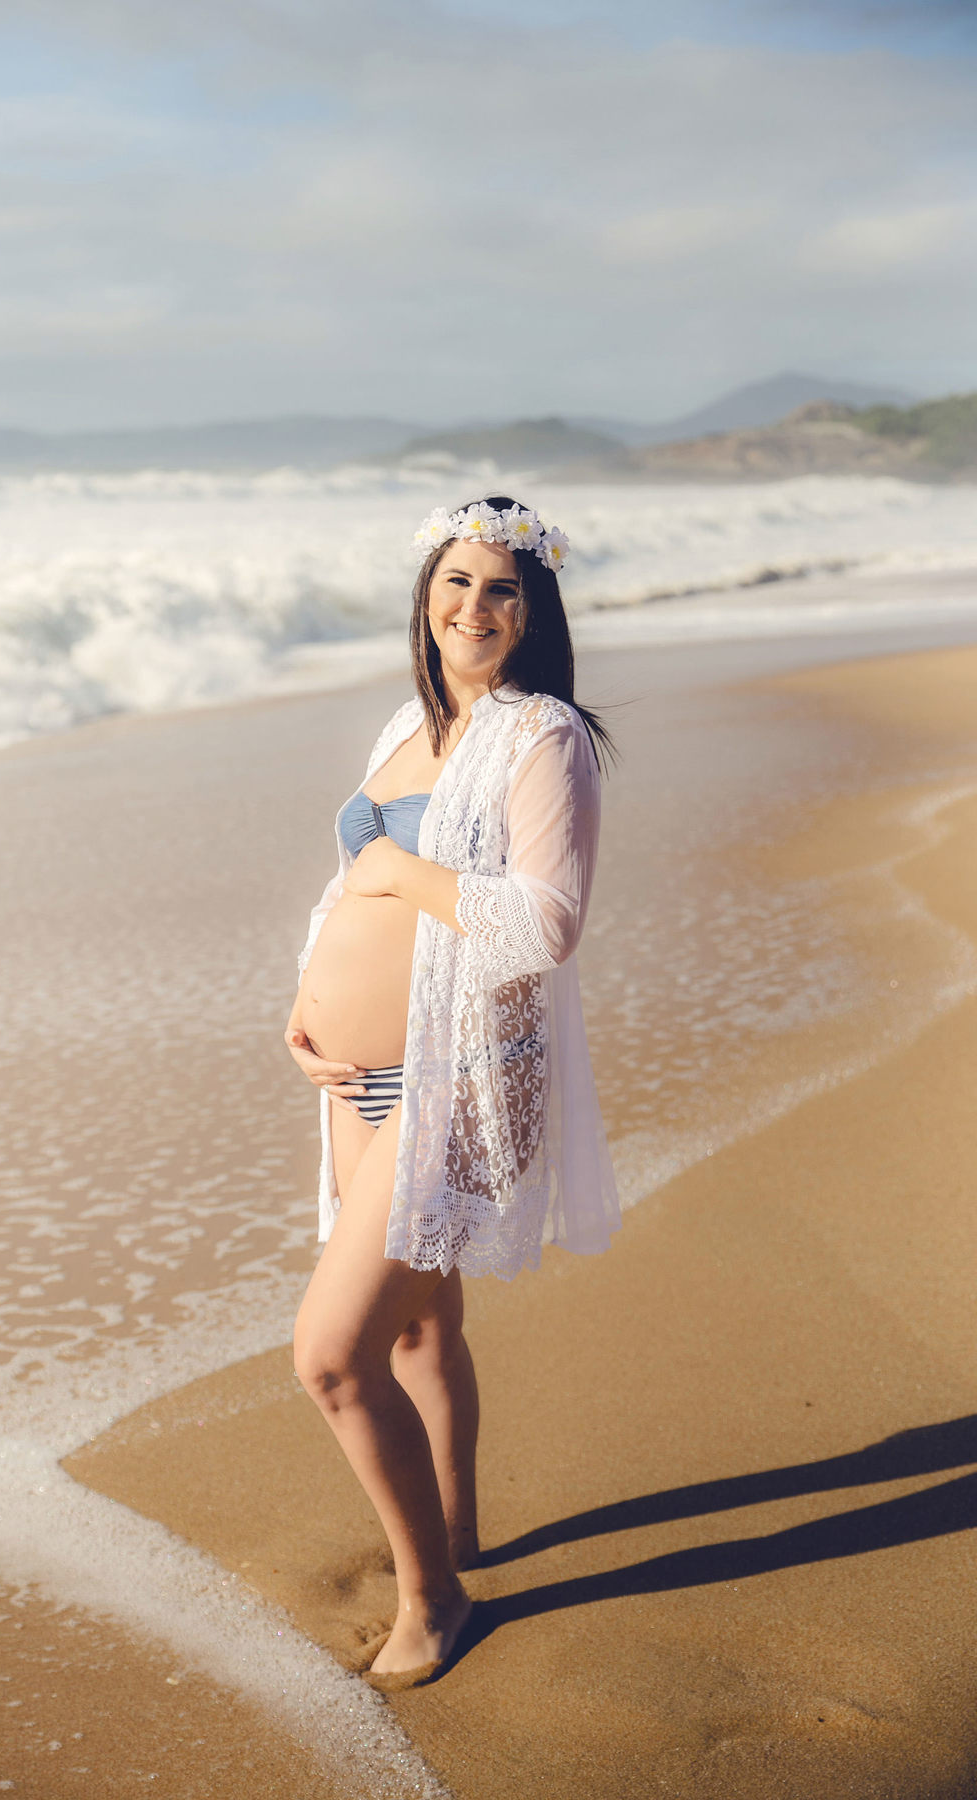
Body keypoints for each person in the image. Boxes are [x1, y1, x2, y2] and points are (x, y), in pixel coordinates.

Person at [283, 495, 621, 1690]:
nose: (476, 608)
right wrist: (305, 1011)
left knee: (330, 1357)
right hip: (354, 1076)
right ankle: (460, 1522)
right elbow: (345, 892)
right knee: (420, 1325)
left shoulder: (545, 738)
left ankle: (436, 1599)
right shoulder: (405, 720)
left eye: (503, 589)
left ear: (536, 612)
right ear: (425, 597)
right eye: (457, 583)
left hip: (463, 1073)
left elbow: (546, 923)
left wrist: (398, 865)